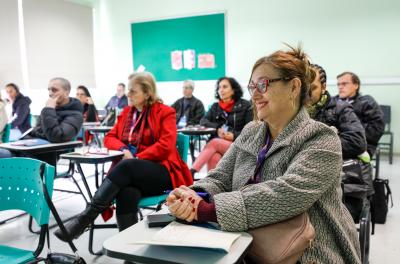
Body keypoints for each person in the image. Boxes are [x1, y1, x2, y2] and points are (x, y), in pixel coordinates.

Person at [167, 46, 361, 263]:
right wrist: (194, 197)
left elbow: (286, 195)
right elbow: (221, 177)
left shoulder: (322, 138)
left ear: (294, 87)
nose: (255, 94)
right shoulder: (251, 131)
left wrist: (207, 210)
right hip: (244, 246)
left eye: (263, 84)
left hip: (306, 253)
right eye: (252, 86)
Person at [54, 72, 193, 241]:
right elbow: (109, 138)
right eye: (128, 90)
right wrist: (123, 149)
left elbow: (165, 146)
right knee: (126, 192)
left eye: (133, 91)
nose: (128, 94)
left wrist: (137, 158)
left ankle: (86, 217)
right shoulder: (128, 113)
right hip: (131, 174)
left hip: (163, 173)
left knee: (127, 166)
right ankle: (130, 248)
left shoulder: (165, 112)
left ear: (147, 93)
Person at [0, 78, 84, 162]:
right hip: (26, 150)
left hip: (40, 157)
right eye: (49, 90)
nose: (50, 93)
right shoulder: (50, 110)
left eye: (54, 90)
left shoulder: (75, 115)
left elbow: (55, 136)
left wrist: (49, 109)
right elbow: (37, 131)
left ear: (66, 93)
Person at [191, 77, 252, 174]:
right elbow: (203, 121)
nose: (221, 90)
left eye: (225, 87)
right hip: (220, 145)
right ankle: (212, 186)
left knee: (214, 142)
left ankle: (191, 172)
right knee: (214, 156)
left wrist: (234, 136)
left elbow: (250, 130)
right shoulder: (215, 106)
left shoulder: (245, 105)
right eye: (219, 87)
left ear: (233, 90)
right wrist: (217, 129)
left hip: (239, 145)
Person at [308, 64, 367, 160]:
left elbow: (357, 142)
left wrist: (314, 144)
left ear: (323, 87)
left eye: (312, 88)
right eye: (303, 88)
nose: (306, 94)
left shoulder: (340, 108)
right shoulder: (294, 108)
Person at [335, 72, 384, 157]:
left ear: (356, 85)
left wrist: (349, 133)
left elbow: (376, 129)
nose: (340, 87)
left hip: (362, 145)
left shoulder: (367, 102)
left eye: (344, 84)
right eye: (338, 84)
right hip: (336, 143)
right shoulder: (334, 101)